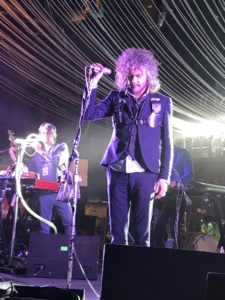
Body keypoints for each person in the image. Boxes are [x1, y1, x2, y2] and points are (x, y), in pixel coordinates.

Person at [83, 48, 173, 246]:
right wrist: (93, 83)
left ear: (149, 74)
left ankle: (141, 277)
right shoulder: (116, 97)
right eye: (130, 76)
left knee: (141, 234)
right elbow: (89, 115)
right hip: (118, 170)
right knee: (117, 233)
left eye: (139, 76)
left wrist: (164, 178)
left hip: (145, 173)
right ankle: (117, 275)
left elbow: (168, 144)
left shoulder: (163, 102)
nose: (134, 81)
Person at [28, 123, 72, 234]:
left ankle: (70, 250)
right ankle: (44, 250)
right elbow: (30, 171)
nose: (45, 135)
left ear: (54, 134)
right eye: (42, 133)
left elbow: (57, 161)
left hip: (60, 192)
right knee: (44, 226)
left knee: (69, 223)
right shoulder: (37, 154)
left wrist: (41, 151)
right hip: (44, 193)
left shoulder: (61, 147)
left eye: (47, 132)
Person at [151, 144, 194, 248]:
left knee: (172, 231)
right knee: (156, 230)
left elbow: (189, 174)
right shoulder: (155, 153)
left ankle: (174, 251)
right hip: (159, 197)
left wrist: (176, 182)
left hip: (176, 196)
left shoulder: (183, 153)